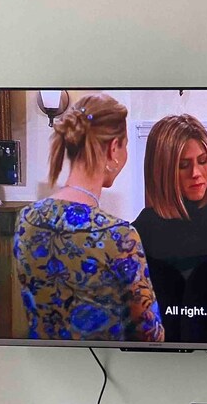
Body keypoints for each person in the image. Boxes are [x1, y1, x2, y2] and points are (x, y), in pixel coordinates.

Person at [13, 93, 164, 343]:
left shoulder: (26, 220)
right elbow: (151, 334)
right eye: (125, 146)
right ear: (114, 148)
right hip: (109, 372)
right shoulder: (119, 236)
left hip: (44, 369)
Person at [133, 114, 207, 344]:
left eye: (203, 161)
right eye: (184, 165)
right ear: (162, 170)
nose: (196, 174)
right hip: (153, 361)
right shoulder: (138, 233)